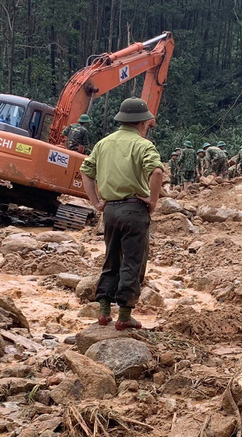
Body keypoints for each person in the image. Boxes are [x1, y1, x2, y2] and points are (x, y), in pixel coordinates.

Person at [80, 97, 163, 331]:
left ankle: (104, 312)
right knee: (133, 262)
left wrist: (96, 202)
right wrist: (153, 201)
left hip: (111, 211)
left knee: (112, 258)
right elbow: (156, 172)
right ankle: (125, 316)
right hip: (134, 209)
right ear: (143, 123)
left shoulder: (103, 143)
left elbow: (86, 172)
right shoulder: (143, 145)